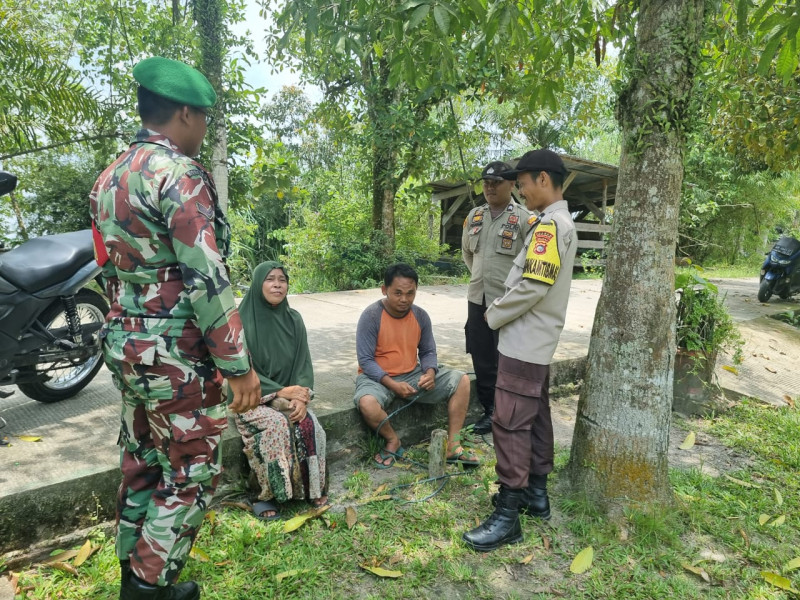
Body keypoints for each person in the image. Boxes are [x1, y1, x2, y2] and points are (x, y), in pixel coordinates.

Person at [90, 57, 261, 600]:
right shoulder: (179, 175)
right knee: (189, 474)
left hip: (128, 346)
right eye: (204, 117)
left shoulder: (110, 175)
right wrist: (237, 367)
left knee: (141, 461)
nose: (206, 127)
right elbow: (207, 278)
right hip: (177, 358)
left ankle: (130, 574)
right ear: (184, 113)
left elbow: (107, 267)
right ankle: (149, 588)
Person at [462, 149, 577, 552]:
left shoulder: (549, 226)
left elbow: (531, 285)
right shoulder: (554, 222)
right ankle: (536, 494)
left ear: (542, 179)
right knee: (536, 416)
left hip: (524, 339)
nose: (522, 191)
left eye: (524, 183)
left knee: (509, 422)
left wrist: (492, 315)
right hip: (535, 342)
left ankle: (508, 514)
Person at [354, 263, 478, 468]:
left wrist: (430, 372)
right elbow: (365, 361)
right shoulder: (371, 316)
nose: (404, 299)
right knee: (367, 403)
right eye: (398, 293)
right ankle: (393, 440)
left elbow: (428, 351)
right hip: (376, 378)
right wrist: (393, 385)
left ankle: (453, 446)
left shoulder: (420, 315)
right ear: (384, 290)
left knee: (462, 380)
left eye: (410, 293)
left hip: (412, 373)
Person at [235, 261, 328, 520]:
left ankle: (310, 488)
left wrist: (302, 396)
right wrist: (280, 391)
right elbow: (238, 369)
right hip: (252, 397)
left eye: (282, 279)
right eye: (270, 279)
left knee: (310, 425)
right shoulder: (240, 320)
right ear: (257, 284)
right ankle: (266, 494)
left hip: (288, 395)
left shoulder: (293, 319)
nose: (277, 284)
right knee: (275, 426)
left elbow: (303, 363)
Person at [462, 161, 533, 434]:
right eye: (486, 182)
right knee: (482, 358)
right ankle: (490, 411)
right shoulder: (474, 216)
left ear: (512, 184)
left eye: (497, 182)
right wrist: (480, 278)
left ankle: (510, 413)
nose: (490, 187)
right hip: (477, 299)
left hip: (507, 302)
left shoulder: (525, 219)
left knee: (508, 359)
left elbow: (530, 265)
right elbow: (468, 254)